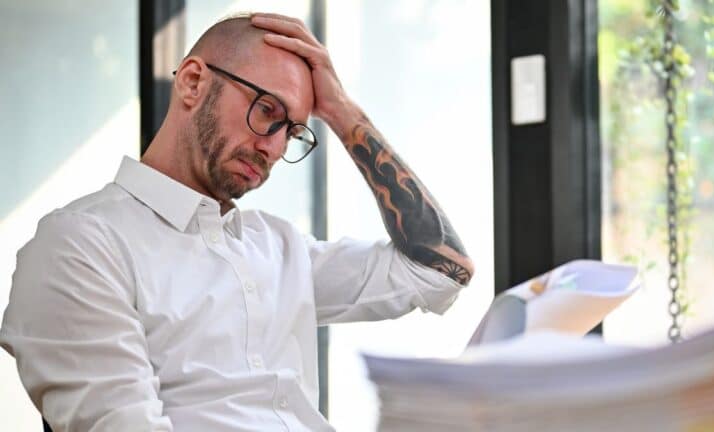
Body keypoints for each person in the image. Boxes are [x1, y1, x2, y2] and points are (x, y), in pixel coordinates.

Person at [0, 12, 473, 432]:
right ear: (191, 82)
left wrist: (344, 113)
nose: (273, 147)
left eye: (292, 131)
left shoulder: (279, 247)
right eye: (267, 111)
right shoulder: (81, 245)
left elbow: (440, 271)